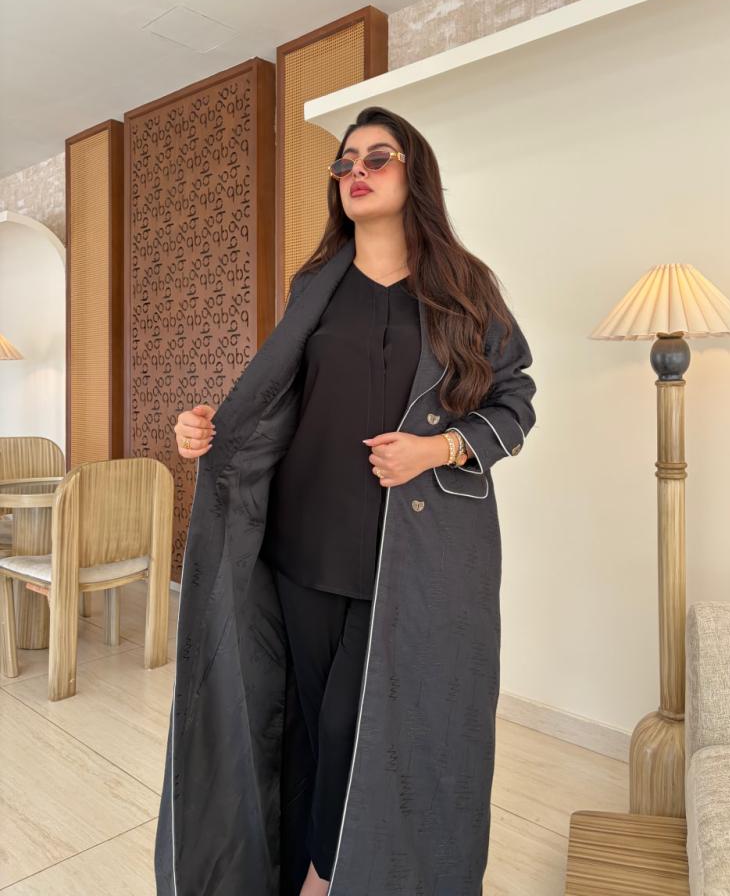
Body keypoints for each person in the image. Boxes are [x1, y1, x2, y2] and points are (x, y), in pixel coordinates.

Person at [171, 105, 537, 895]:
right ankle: (310, 870)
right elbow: (274, 402)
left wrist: (437, 448)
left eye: (378, 157)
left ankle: (323, 879)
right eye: (345, 162)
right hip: (302, 545)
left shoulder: (465, 288)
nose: (357, 172)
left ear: (414, 172)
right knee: (310, 723)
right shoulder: (316, 286)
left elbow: (516, 403)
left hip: (405, 554)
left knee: (355, 725)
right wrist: (205, 432)